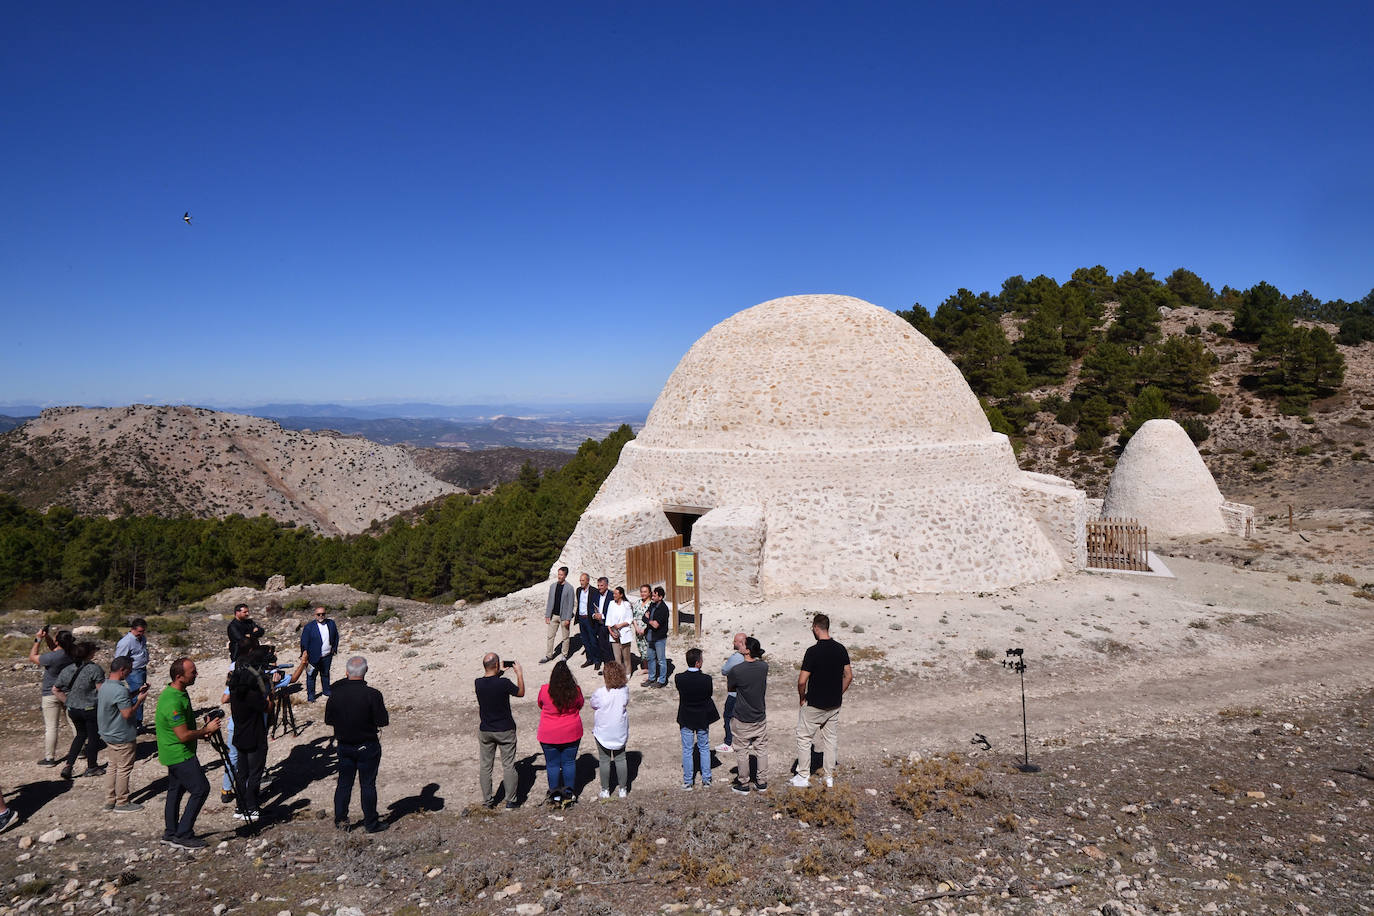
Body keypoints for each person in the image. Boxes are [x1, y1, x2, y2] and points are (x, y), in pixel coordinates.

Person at [155, 657, 223, 850]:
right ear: (179, 676)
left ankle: (171, 833)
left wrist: (202, 731)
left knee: (175, 791)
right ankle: (183, 834)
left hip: (174, 752)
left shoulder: (178, 692)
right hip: (179, 753)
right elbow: (183, 735)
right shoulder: (172, 701)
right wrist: (206, 730)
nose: (196, 674)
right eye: (192, 672)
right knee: (201, 789)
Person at [325, 656, 389, 833]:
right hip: (367, 745)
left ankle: (341, 820)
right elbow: (382, 721)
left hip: (344, 745)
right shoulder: (373, 694)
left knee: (344, 784)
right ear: (366, 671)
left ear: (346, 672)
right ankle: (371, 823)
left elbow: (328, 720)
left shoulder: (335, 695)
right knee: (367, 784)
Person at [792, 614, 853, 789]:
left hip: (814, 703)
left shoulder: (812, 651)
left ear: (816, 627)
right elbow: (849, 676)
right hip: (834, 704)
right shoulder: (840, 649)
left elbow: (802, 681)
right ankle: (828, 776)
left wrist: (802, 697)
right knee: (830, 739)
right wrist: (838, 693)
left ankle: (803, 775)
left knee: (804, 738)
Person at [96, 655, 148, 812]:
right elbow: (127, 713)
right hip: (122, 735)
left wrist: (135, 693)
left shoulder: (104, 686)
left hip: (108, 734)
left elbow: (119, 701)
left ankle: (110, 800)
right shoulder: (120, 690)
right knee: (124, 769)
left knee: (112, 767)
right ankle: (122, 802)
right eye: (129, 670)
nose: (130, 673)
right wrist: (139, 701)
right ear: (122, 670)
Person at [229, 647, 274, 822]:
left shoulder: (235, 693)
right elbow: (268, 707)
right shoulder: (252, 695)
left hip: (240, 736)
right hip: (255, 737)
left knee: (242, 773)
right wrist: (269, 691)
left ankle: (240, 806)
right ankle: (251, 807)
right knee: (255, 773)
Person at [475, 652, 524, 809]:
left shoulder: (478, 683)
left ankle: (488, 801)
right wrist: (519, 674)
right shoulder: (504, 683)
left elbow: (490, 682)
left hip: (486, 730)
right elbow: (520, 693)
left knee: (486, 766)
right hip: (505, 729)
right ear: (496, 665)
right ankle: (511, 800)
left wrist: (499, 671)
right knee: (508, 765)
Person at [52, 641, 105, 780]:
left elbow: (55, 689)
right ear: (90, 654)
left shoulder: (67, 669)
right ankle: (92, 767)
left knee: (80, 736)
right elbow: (101, 691)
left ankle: (68, 765)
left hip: (74, 709)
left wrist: (68, 702)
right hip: (90, 708)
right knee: (93, 737)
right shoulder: (95, 669)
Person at [536, 660, 583, 808]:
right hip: (571, 731)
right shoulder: (576, 691)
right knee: (569, 763)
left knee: (552, 764)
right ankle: (568, 795)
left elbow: (540, 704)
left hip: (549, 733)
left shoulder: (545, 690)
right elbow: (580, 704)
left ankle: (555, 795)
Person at [727, 637, 769, 793]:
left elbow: (731, 688)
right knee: (761, 749)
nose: (740, 645)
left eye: (743, 643)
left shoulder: (737, 670)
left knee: (742, 751)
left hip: (742, 716)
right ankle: (762, 782)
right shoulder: (764, 667)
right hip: (759, 715)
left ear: (747, 650)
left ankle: (744, 783)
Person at [30, 626, 74, 766]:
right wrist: (47, 637)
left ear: (57, 641)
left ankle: (50, 758)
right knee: (74, 722)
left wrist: (38, 640)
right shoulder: (73, 653)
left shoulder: (52, 657)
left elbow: (32, 657)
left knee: (51, 727)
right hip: (68, 692)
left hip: (50, 693)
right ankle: (81, 749)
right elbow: (55, 648)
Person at [675, 647, 718, 789]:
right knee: (704, 747)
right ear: (698, 663)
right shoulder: (706, 679)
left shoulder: (679, 678)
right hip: (702, 717)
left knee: (687, 749)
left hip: (686, 717)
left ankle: (688, 781)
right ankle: (706, 779)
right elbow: (708, 694)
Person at [587, 661, 629, 798]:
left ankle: (605, 790)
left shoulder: (600, 693)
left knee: (604, 760)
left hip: (603, 732)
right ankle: (623, 789)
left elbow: (593, 704)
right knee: (621, 759)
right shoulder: (625, 690)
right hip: (619, 731)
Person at [114, 619, 150, 730]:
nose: (141, 633)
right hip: (133, 671)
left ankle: (137, 721)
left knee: (141, 694)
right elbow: (119, 659)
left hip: (142, 669)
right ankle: (135, 723)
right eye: (139, 631)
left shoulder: (142, 638)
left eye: (143, 631)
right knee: (137, 696)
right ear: (132, 629)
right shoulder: (126, 642)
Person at [300, 606, 340, 703]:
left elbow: (336, 636)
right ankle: (311, 696)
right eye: (318, 614)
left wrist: (334, 649)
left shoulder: (331, 623)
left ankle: (326, 691)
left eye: (323, 614)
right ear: (315, 615)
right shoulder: (309, 627)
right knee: (311, 676)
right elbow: (304, 642)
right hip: (312, 657)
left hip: (327, 656)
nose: (321, 616)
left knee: (325, 674)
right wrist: (304, 654)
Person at [718, 632, 747, 753]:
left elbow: (724, 671)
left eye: (735, 641)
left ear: (740, 643)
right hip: (746, 694)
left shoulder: (736, 658)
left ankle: (729, 742)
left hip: (734, 693)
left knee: (728, 717)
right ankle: (746, 741)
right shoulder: (751, 656)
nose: (733, 643)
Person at [541, 567, 574, 663]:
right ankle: (548, 655)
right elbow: (549, 601)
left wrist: (568, 618)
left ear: (565, 576)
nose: (559, 576)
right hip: (553, 616)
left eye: (561, 575)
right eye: (558, 574)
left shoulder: (570, 588)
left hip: (564, 617)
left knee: (565, 637)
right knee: (550, 636)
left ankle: (564, 655)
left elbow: (571, 604)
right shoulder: (552, 586)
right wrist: (547, 615)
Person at [642, 587, 671, 688]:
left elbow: (655, 625)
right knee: (650, 659)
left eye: (655, 596)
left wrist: (648, 620)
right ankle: (651, 678)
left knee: (661, 660)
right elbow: (643, 617)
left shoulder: (663, 609)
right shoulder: (652, 605)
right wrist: (649, 620)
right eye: (652, 595)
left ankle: (662, 680)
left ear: (660, 597)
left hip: (659, 638)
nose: (652, 597)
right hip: (650, 637)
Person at [572, 572, 601, 670]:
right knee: (585, 640)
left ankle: (597, 660)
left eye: (583, 580)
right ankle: (589, 659)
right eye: (580, 580)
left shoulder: (594, 591)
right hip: (581, 618)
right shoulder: (578, 590)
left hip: (590, 619)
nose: (581, 582)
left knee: (593, 640)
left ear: (588, 581)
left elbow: (596, 605)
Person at [604, 587, 635, 674]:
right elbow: (608, 619)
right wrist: (611, 631)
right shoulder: (611, 604)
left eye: (616, 594)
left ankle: (628, 673)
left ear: (621, 595)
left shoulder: (626, 604)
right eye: (613, 593)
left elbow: (629, 619)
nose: (614, 595)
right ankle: (620, 674)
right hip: (614, 633)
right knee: (617, 657)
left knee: (626, 657)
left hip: (624, 632)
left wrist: (620, 625)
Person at [631, 584, 652, 675]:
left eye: (645, 592)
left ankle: (651, 668)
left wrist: (644, 630)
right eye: (642, 592)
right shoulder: (638, 603)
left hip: (647, 631)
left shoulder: (651, 604)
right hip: (638, 630)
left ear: (649, 593)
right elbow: (633, 617)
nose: (643, 593)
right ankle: (645, 668)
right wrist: (636, 627)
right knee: (641, 649)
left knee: (649, 650)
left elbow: (652, 619)